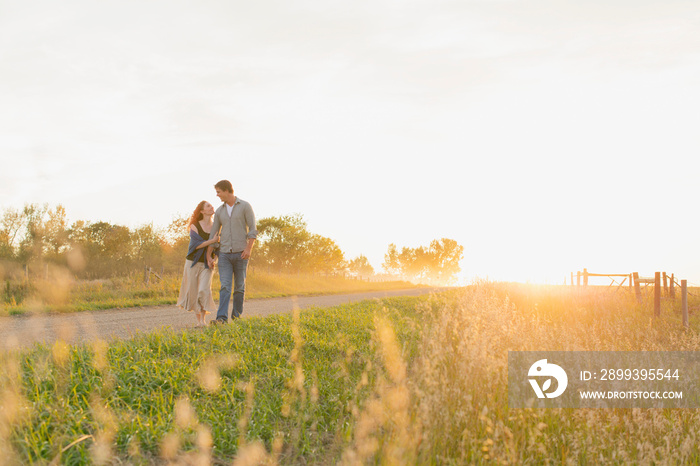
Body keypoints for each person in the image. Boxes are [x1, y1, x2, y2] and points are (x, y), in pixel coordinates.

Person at [207, 180, 257, 324]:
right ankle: (221, 319)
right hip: (224, 254)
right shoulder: (220, 211)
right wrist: (209, 255)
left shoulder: (245, 206)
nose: (217, 195)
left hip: (241, 253)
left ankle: (237, 318)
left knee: (239, 287)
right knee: (225, 286)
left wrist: (249, 248)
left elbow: (252, 229)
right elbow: (214, 234)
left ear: (227, 190)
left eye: (219, 192)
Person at [177, 201, 220, 326]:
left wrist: (214, 259)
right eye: (208, 206)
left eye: (211, 205)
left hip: (207, 264)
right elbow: (195, 245)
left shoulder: (216, 227)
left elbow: (218, 246)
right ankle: (200, 321)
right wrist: (211, 240)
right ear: (202, 211)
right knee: (194, 291)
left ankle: (203, 319)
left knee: (204, 290)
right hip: (192, 262)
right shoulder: (194, 225)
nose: (211, 207)